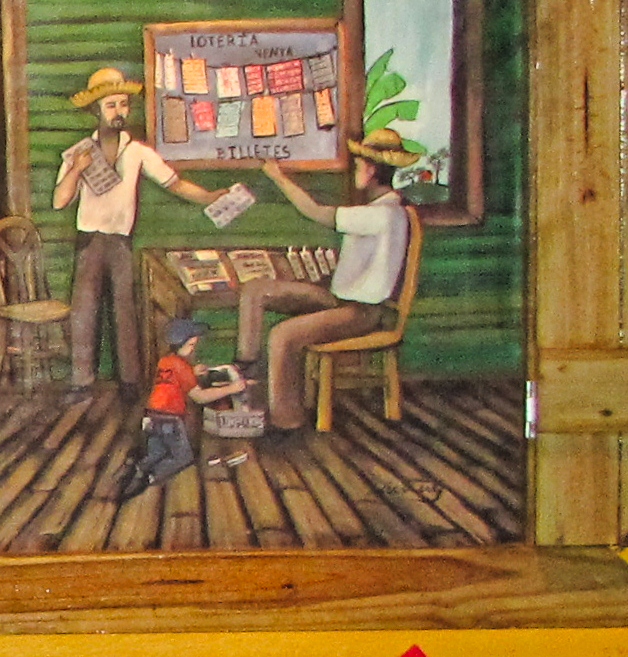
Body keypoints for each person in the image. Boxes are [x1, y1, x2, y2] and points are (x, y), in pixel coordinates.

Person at [50, 67, 227, 394]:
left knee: (125, 311)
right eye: (111, 105)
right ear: (96, 110)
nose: (119, 112)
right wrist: (76, 170)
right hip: (89, 241)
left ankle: (130, 382)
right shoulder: (80, 152)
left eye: (123, 105)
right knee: (84, 312)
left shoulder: (138, 151)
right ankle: (81, 381)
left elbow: (174, 183)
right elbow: (60, 201)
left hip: (120, 242)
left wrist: (207, 197)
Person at [238, 129, 421, 428]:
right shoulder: (378, 210)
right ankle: (244, 374)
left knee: (282, 336)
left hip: (360, 312)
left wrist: (278, 176)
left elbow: (316, 212)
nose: (355, 172)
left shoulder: (383, 214)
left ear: (371, 170)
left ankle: (287, 423)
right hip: (339, 300)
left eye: (360, 165)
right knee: (256, 290)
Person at [113, 318, 249, 499]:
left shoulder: (165, 361)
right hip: (170, 420)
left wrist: (193, 372)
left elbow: (174, 379)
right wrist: (233, 388)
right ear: (180, 344)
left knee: (158, 452)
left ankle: (136, 467)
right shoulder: (182, 366)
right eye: (191, 344)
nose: (193, 348)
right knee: (183, 458)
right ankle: (150, 478)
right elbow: (200, 397)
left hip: (151, 417)